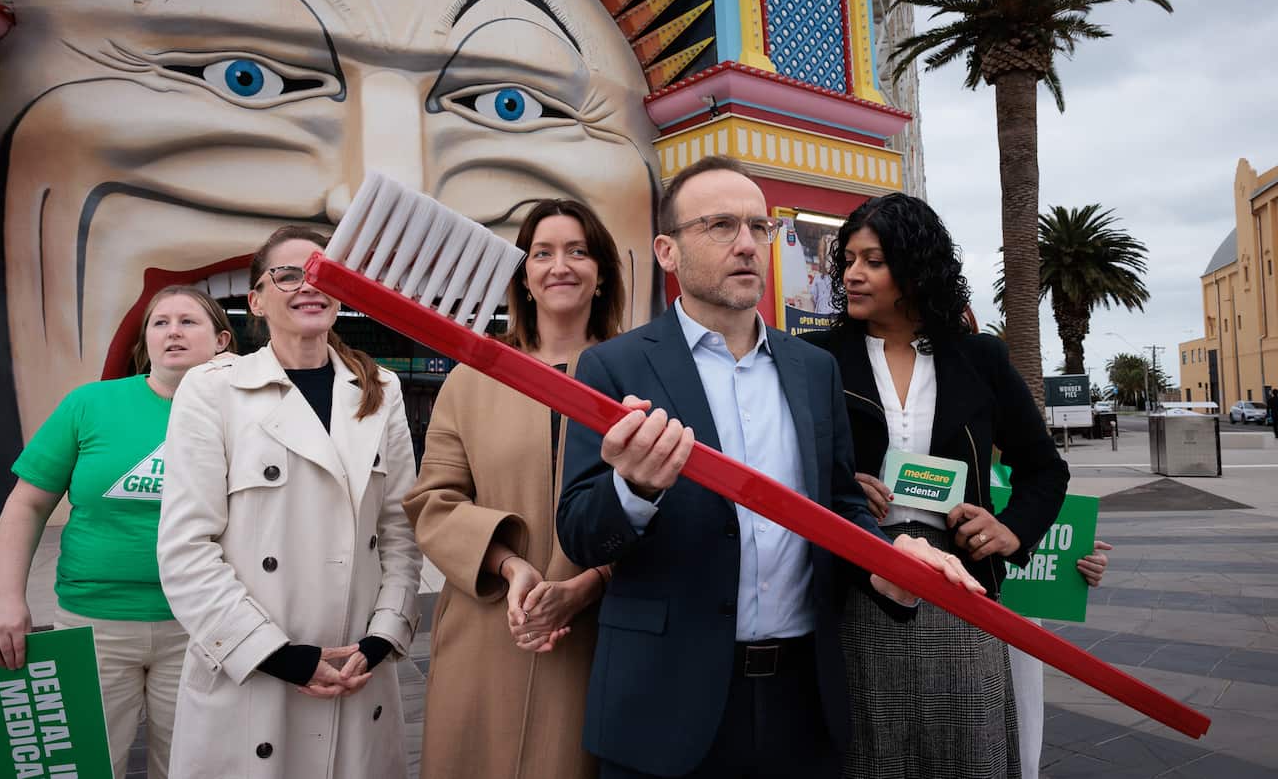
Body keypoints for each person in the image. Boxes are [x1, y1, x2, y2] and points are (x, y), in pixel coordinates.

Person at [0, 0, 661, 481]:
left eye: (509, 104)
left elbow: (405, 523)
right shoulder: (191, 401)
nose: (386, 185)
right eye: (245, 74)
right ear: (250, 306)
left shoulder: (392, 396)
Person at [557, 156, 983, 779]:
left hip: (800, 702)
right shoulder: (614, 370)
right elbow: (578, 532)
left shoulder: (812, 369)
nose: (748, 245)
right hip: (662, 703)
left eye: (760, 228)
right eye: (720, 226)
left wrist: (888, 563)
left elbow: (839, 507)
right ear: (667, 252)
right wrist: (634, 488)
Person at [803, 192, 1070, 779]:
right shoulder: (814, 358)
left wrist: (1011, 529)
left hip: (964, 588)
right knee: (871, 755)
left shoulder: (981, 358)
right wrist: (839, 487)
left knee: (968, 754)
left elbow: (1045, 470)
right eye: (847, 259)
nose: (851, 274)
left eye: (872, 260)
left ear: (914, 266)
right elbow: (788, 464)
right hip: (860, 581)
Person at [157, 226, 422, 778]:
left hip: (357, 671)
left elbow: (400, 531)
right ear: (255, 299)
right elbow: (187, 550)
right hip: (253, 675)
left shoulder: (382, 391)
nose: (309, 286)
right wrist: (278, 656)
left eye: (326, 274)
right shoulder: (212, 390)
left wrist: (381, 637)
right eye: (288, 274)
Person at [403, 198, 626, 779]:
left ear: (601, 273)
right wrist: (509, 567)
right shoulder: (473, 378)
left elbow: (670, 504)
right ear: (523, 277)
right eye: (542, 253)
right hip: (489, 626)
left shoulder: (640, 374)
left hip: (600, 632)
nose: (560, 266)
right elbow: (435, 502)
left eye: (578, 251)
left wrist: (590, 583)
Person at [0, 285, 235, 779]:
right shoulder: (90, 405)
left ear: (222, 341)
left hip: (200, 628)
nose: (172, 331)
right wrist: (8, 598)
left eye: (189, 321)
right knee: (87, 766)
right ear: (144, 341)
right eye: (160, 322)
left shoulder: (244, 415)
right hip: (91, 627)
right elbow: (27, 503)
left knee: (190, 768)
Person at [1010, 540, 1112, 779]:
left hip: (1018, 623)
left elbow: (1043, 520)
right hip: (946, 617)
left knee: (1020, 732)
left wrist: (1077, 553)